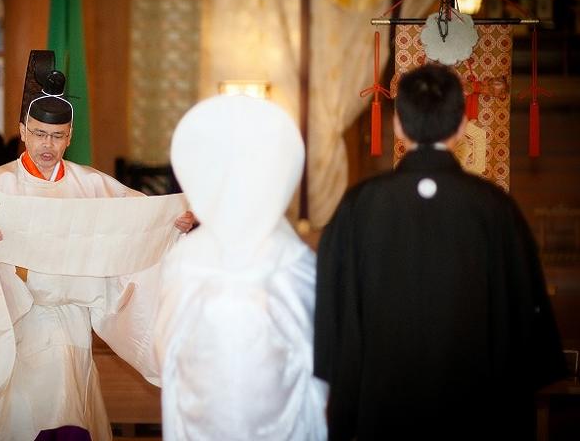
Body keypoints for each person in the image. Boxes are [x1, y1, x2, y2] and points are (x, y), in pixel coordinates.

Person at [0, 50, 194, 441]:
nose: (48, 145)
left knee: (69, 410)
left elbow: (138, 220)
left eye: (57, 136)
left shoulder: (90, 184)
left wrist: (173, 222)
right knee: (37, 418)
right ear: (23, 131)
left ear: (69, 137)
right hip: (25, 318)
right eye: (40, 134)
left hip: (74, 318)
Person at [313, 63, 567, 440]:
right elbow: (524, 325)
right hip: (476, 416)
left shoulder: (360, 205)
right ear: (462, 125)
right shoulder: (495, 208)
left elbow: (336, 316)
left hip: (382, 412)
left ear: (397, 125)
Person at [155, 95, 329, 440]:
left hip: (199, 417)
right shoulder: (293, 259)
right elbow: (316, 360)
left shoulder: (186, 259)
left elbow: (165, 350)